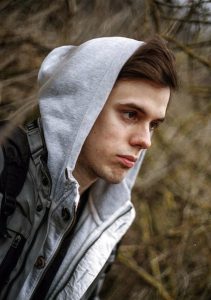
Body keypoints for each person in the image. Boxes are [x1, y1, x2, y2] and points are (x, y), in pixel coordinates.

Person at [0, 36, 178, 300]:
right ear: (81, 104)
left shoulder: (102, 229)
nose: (145, 141)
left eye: (153, 125)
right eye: (131, 114)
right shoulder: (5, 165)